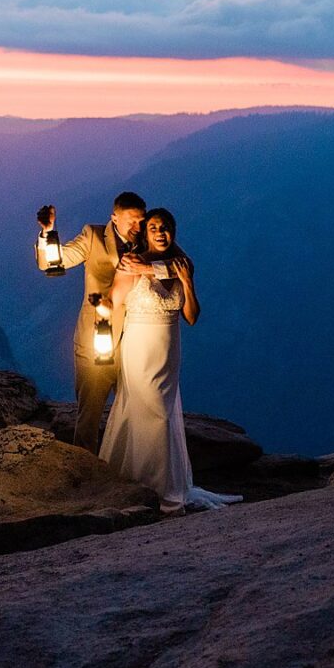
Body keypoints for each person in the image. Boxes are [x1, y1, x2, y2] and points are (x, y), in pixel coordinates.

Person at [97, 207, 241, 514]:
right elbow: (114, 301)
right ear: (146, 233)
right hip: (139, 347)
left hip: (169, 349)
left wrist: (186, 283)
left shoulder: (182, 265)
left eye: (166, 228)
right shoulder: (131, 265)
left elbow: (192, 317)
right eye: (154, 228)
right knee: (151, 413)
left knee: (166, 413)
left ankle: (167, 483)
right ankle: (159, 490)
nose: (161, 233)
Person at [33, 191, 159, 454]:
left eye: (141, 221)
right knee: (89, 414)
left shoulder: (151, 241)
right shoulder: (93, 236)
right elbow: (54, 263)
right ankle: (86, 473)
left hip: (137, 343)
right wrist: (48, 232)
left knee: (138, 412)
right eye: (131, 221)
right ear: (114, 218)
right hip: (96, 342)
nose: (138, 227)